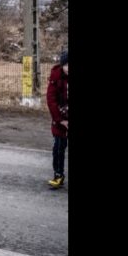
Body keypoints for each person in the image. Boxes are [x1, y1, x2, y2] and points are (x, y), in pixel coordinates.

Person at [46, 50, 69, 189]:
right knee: (58, 149)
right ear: (62, 65)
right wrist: (60, 119)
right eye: (66, 65)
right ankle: (58, 175)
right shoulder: (56, 77)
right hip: (59, 121)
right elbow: (51, 100)